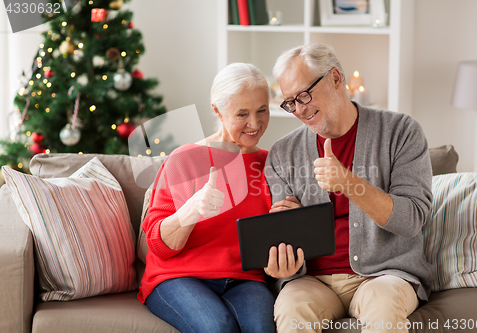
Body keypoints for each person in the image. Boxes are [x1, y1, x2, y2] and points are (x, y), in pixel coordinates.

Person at [263, 43, 435, 333]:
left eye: (304, 95)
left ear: (335, 78)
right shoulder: (282, 154)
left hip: (384, 275)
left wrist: (349, 183)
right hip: (311, 281)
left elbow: (413, 219)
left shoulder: (401, 132)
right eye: (290, 102)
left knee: (383, 312)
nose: (300, 110)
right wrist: (283, 262)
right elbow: (283, 243)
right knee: (291, 311)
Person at [138, 63, 276, 333]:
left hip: (244, 279)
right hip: (178, 277)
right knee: (217, 327)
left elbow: (277, 235)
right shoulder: (184, 158)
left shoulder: (271, 163)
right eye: (242, 114)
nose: (255, 123)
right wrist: (190, 211)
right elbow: (158, 245)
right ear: (217, 111)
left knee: (262, 328)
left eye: (262, 110)